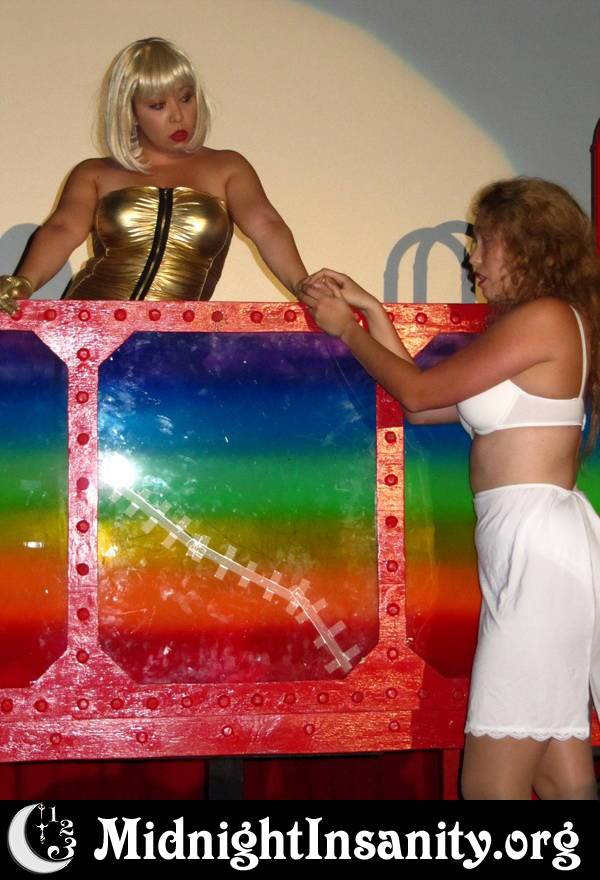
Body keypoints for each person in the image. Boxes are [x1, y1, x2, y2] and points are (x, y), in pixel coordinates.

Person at [300, 177, 600, 800]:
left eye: (483, 241)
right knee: (558, 772)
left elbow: (417, 391)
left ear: (526, 243)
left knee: (489, 787)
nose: (473, 258)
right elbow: (424, 405)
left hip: (539, 549)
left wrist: (349, 331)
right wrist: (372, 312)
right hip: (526, 546)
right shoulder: (537, 323)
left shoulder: (545, 318)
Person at [0, 37, 307, 313]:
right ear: (130, 111)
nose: (177, 115)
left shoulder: (228, 167)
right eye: (158, 105)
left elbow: (267, 226)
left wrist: (304, 287)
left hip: (173, 340)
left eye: (185, 98)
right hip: (88, 330)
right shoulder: (94, 173)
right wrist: (23, 283)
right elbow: (62, 229)